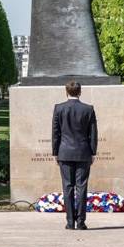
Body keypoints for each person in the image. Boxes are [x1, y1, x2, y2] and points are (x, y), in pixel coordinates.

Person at [52, 81, 98, 230]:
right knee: (81, 187)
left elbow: (55, 133)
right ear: (80, 92)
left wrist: (55, 152)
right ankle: (81, 222)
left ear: (66, 92)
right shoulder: (88, 109)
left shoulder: (59, 108)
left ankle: (70, 222)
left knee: (67, 187)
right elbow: (93, 134)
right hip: (83, 152)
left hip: (64, 152)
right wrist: (93, 152)